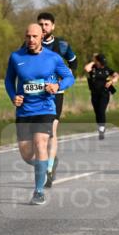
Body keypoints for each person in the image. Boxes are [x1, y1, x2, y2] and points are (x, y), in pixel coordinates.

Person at [5, 24, 75, 204]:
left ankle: (38, 191)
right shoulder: (16, 57)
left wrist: (58, 86)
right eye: (28, 36)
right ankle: (45, 167)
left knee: (40, 143)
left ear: (42, 36)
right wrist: (14, 96)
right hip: (24, 110)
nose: (31, 40)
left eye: (34, 36)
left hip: (45, 108)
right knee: (27, 154)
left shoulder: (53, 58)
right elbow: (8, 80)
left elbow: (69, 77)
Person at [37, 12, 77, 186]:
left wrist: (64, 80)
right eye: (41, 24)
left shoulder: (62, 45)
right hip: (36, 95)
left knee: (51, 131)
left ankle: (49, 168)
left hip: (55, 94)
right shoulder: (31, 43)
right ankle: (46, 161)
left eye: (46, 24)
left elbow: (74, 62)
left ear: (53, 26)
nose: (43, 27)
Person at [84, 53, 119, 140]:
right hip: (94, 93)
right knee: (97, 111)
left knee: (101, 110)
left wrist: (112, 81)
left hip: (104, 93)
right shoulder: (93, 69)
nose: (102, 64)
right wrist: (94, 61)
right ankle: (100, 126)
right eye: (101, 62)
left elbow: (116, 75)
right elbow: (86, 68)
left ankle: (102, 128)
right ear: (97, 62)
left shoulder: (107, 70)